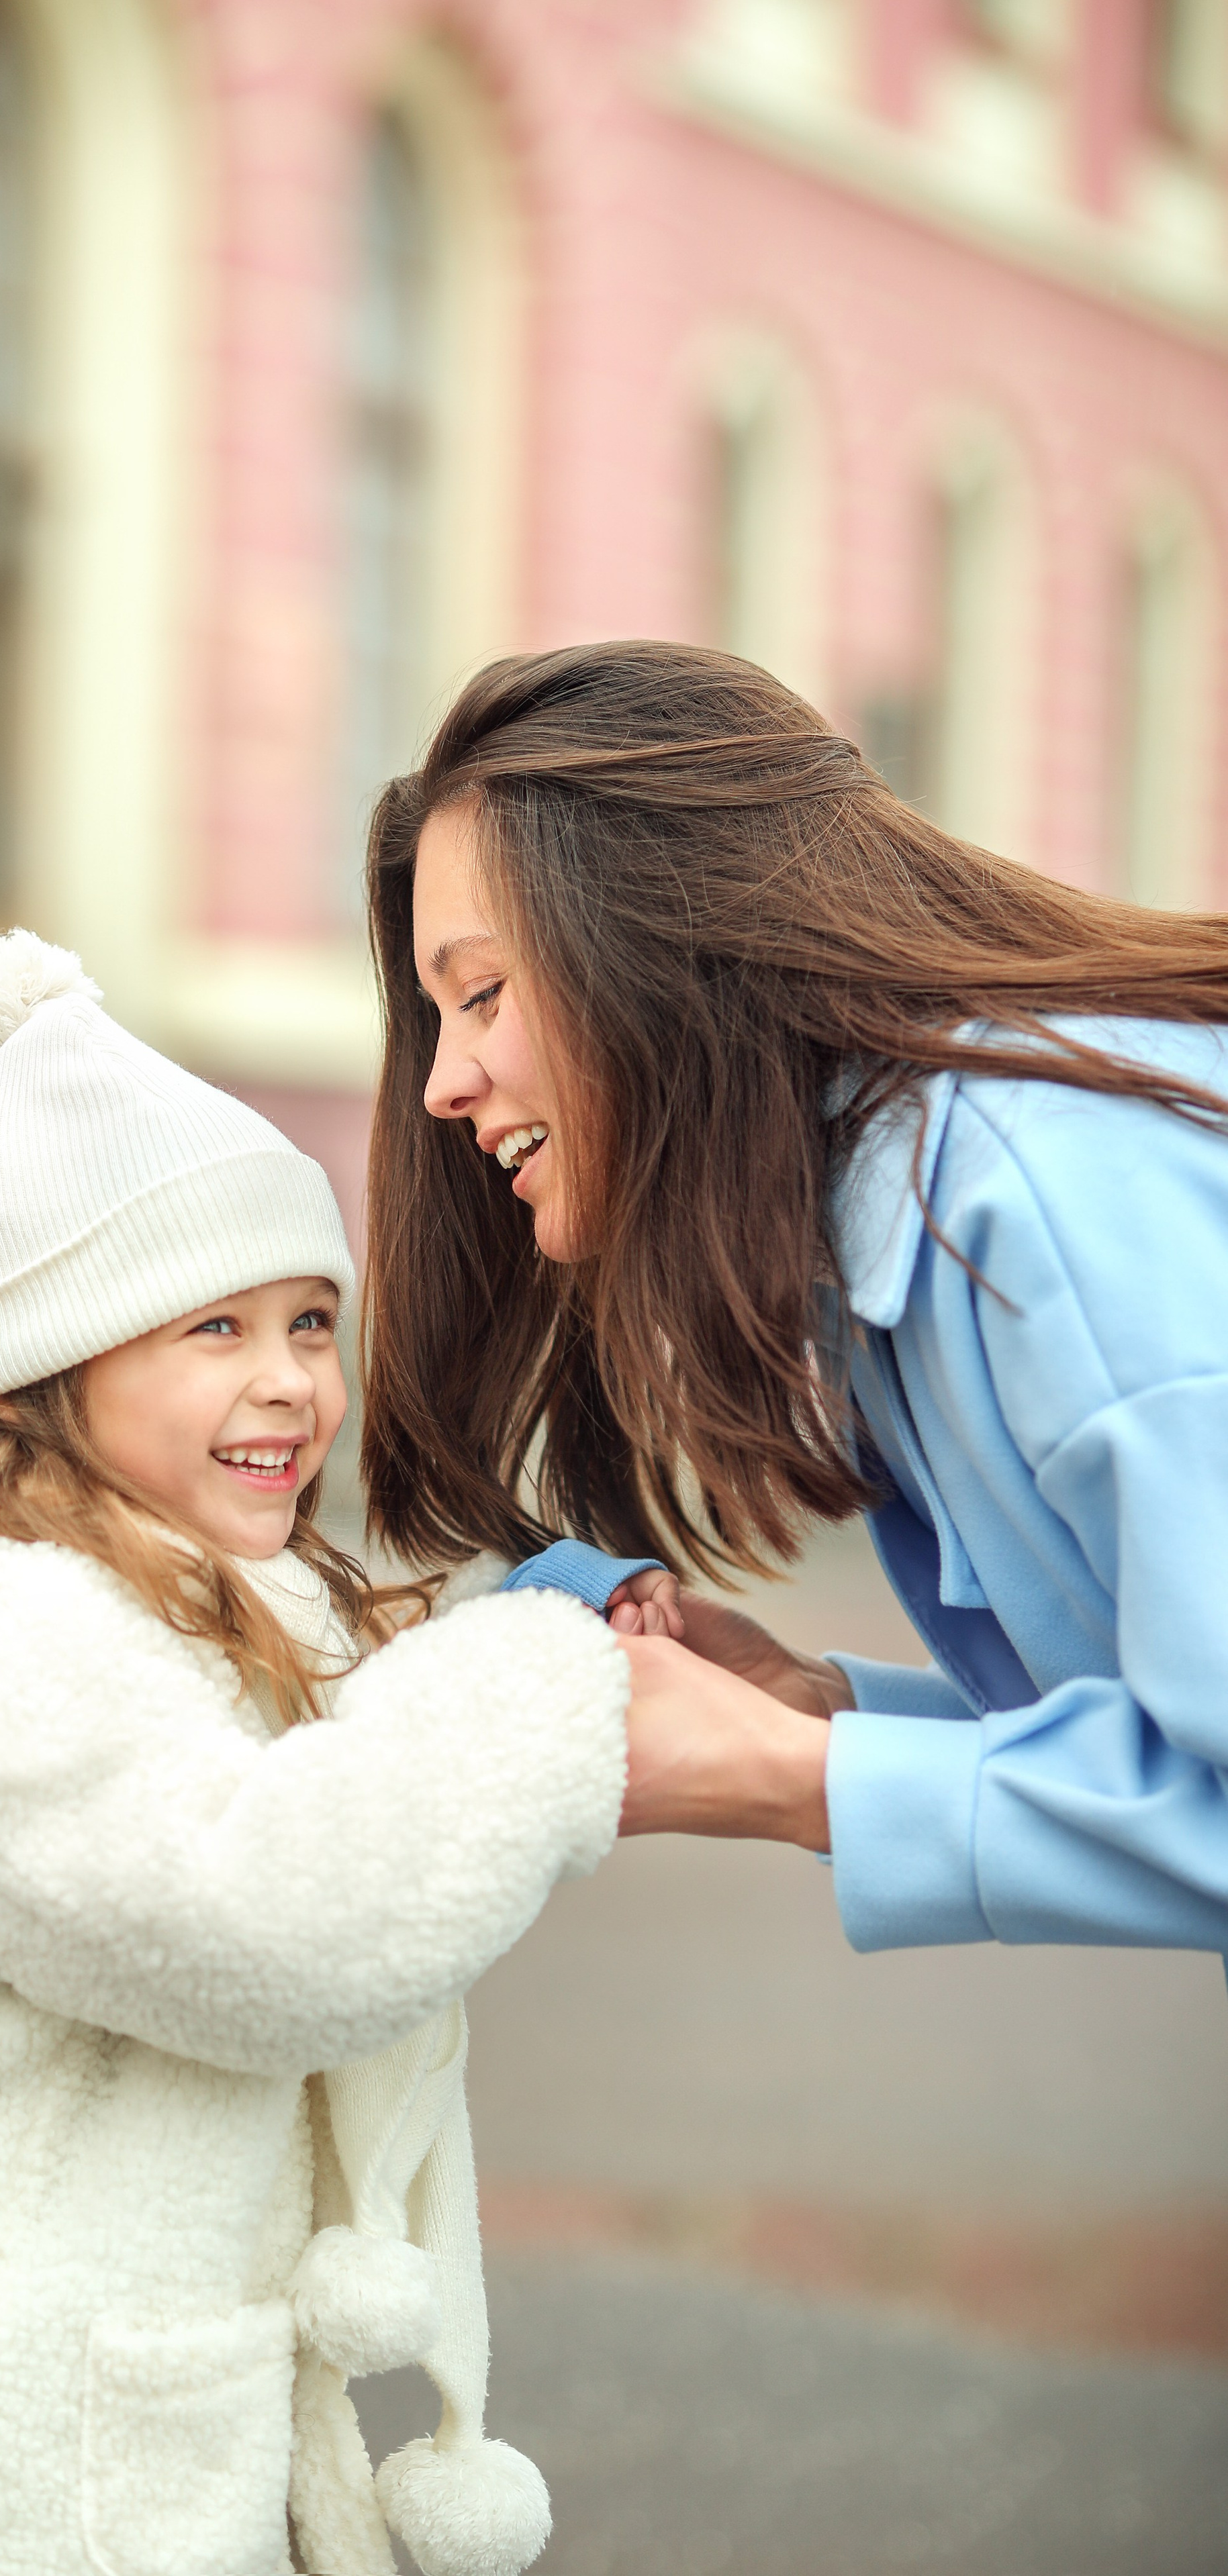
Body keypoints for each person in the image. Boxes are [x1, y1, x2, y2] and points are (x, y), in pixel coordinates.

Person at [0, 930, 636, 2576]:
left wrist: (517, 1643)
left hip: (84, 2429)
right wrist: (537, 1690)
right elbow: (259, 1922)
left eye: (311, 1322)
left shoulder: (168, 1588)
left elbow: (342, 1762)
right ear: (59, 1361)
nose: (286, 1383)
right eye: (212, 1331)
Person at [361, 639, 1228, 1959]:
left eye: (480, 994)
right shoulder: (913, 1228)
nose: (442, 1085)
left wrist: (787, 1779)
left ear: (665, 941)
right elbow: (1172, 1737)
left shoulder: (1040, 1198)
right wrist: (818, 1714)